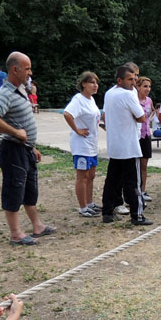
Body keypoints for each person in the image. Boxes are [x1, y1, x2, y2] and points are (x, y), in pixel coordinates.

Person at [0, 52, 55, 245]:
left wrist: (31, 147)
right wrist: (16, 133)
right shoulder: (6, 93)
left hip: (25, 149)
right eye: (27, 68)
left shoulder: (21, 90)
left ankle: (37, 226)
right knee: (14, 189)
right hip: (13, 150)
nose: (30, 73)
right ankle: (16, 233)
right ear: (14, 70)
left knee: (29, 190)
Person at [101, 64, 151, 226]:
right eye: (130, 79)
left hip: (115, 145)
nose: (133, 82)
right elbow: (141, 117)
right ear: (119, 80)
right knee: (132, 183)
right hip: (129, 146)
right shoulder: (128, 95)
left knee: (112, 181)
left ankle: (107, 211)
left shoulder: (109, 93)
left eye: (135, 79)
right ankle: (137, 215)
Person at [63, 71, 101, 217]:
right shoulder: (78, 99)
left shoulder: (91, 100)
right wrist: (77, 129)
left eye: (96, 83)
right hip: (82, 145)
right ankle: (83, 207)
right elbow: (67, 114)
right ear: (84, 84)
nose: (95, 85)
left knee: (91, 175)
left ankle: (90, 202)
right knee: (82, 176)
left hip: (92, 144)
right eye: (92, 82)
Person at [136, 77, 154, 202]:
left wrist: (151, 117)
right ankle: (134, 189)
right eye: (145, 86)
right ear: (138, 87)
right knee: (134, 165)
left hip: (146, 134)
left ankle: (142, 190)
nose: (147, 89)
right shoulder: (134, 100)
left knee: (144, 165)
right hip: (136, 135)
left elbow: (151, 112)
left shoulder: (149, 100)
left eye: (149, 86)